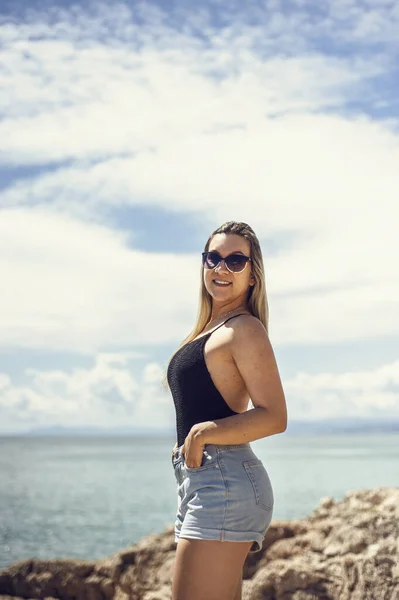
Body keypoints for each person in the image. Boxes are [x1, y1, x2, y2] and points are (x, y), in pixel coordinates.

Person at [165, 221, 287, 600]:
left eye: (236, 261)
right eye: (213, 258)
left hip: (224, 484)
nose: (221, 268)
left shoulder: (244, 329)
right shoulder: (210, 328)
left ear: (253, 275)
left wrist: (202, 433)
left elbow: (274, 416)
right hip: (203, 483)